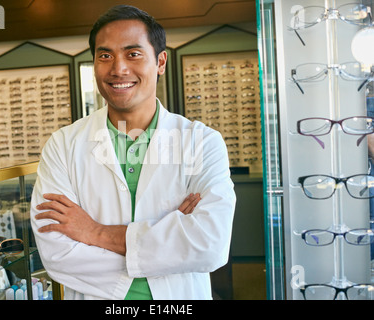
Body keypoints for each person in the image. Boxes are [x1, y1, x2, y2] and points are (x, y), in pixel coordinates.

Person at [30, 4, 236, 300]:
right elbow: (57, 254)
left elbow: (210, 244)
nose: (118, 69)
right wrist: (169, 238)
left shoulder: (201, 142)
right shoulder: (63, 145)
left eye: (133, 53)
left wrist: (95, 233)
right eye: (105, 56)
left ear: (161, 61)